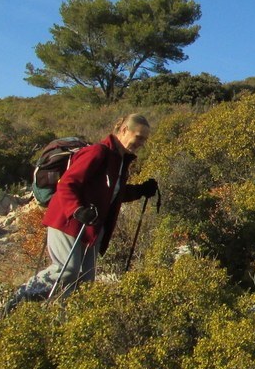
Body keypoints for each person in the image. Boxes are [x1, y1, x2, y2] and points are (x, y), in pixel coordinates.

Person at [10, 113, 158, 305]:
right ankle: (20, 298)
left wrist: (140, 191)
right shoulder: (98, 152)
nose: (141, 143)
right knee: (67, 270)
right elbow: (67, 184)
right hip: (68, 220)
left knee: (85, 283)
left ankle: (63, 322)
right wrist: (77, 210)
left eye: (144, 139)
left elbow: (111, 194)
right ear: (123, 130)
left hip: (92, 228)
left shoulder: (121, 162)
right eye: (138, 137)